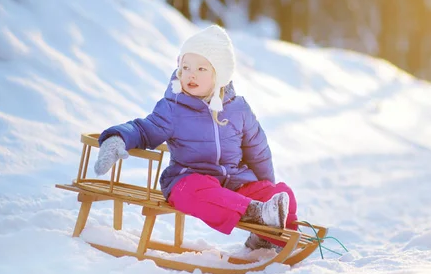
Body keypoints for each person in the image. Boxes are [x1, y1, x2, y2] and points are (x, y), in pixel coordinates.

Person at [93, 25, 298, 250]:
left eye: (201, 68)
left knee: (282, 194)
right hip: (188, 181)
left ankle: (271, 237)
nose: (191, 74)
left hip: (235, 185)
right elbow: (145, 129)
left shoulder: (239, 110)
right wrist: (117, 138)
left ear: (219, 75)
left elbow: (258, 151)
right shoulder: (173, 108)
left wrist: (267, 189)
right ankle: (258, 213)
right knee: (193, 191)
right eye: (186, 67)